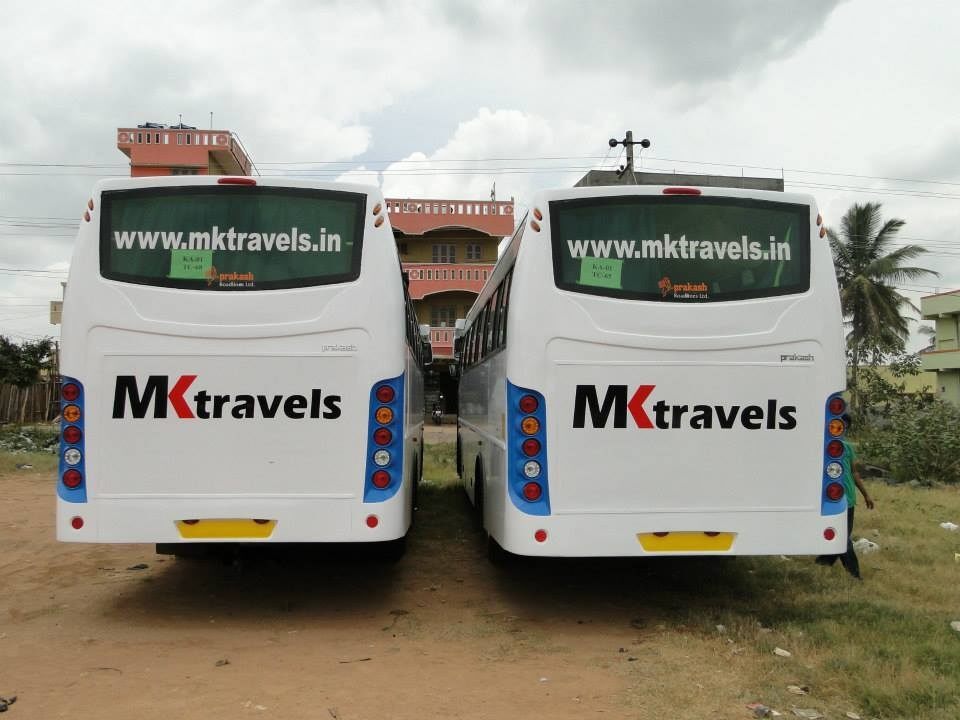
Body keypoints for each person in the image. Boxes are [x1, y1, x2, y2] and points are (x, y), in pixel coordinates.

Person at [816, 414, 875, 579]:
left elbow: (854, 473)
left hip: (848, 498)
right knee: (842, 537)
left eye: (844, 427)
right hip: (831, 498)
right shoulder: (824, 446)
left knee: (843, 535)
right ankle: (854, 574)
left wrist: (866, 495)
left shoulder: (848, 448)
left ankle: (823, 563)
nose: (840, 430)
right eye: (837, 426)